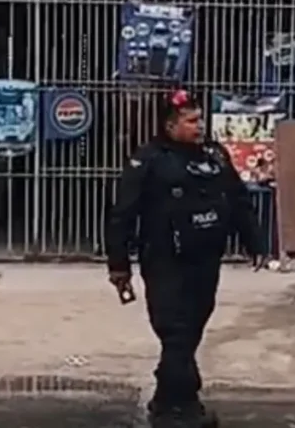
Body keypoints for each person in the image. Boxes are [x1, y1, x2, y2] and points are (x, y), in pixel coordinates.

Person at [105, 89, 269, 428]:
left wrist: (255, 241)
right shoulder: (149, 160)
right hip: (164, 260)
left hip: (205, 259)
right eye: (191, 121)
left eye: (200, 119)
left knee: (191, 329)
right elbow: (122, 214)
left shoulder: (214, 156)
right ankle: (182, 404)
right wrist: (119, 265)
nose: (200, 126)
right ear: (170, 126)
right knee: (174, 331)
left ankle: (168, 400)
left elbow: (238, 199)